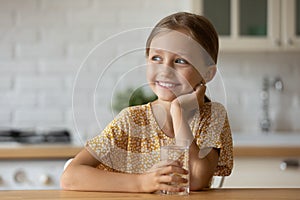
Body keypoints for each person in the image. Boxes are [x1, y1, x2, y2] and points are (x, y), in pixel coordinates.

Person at [61, 12, 233, 193]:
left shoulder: (212, 116)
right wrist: (142, 183)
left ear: (208, 73)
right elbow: (70, 176)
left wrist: (178, 114)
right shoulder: (131, 120)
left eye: (180, 61)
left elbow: (196, 180)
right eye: (156, 58)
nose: (165, 71)